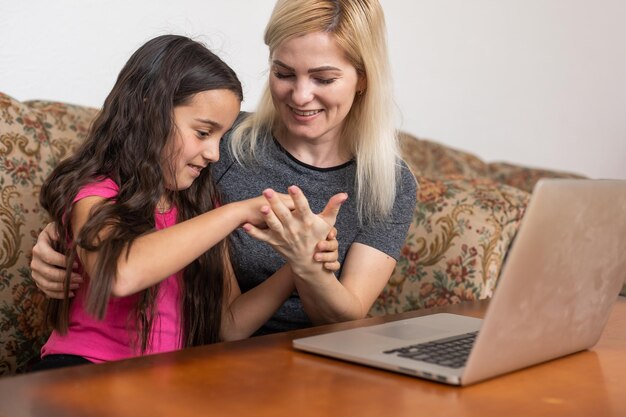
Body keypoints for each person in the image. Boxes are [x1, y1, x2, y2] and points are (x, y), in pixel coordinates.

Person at [31, 0, 418, 335]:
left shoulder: (390, 182)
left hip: (313, 354)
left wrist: (307, 264)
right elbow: (134, 188)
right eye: (283, 73)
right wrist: (62, 237)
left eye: (324, 78)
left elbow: (345, 319)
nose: (300, 96)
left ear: (363, 78)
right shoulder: (220, 138)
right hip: (208, 351)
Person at [31, 34, 343, 371]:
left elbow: (230, 325)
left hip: (160, 384)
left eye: (221, 137)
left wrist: (300, 260)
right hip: (81, 369)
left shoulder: (199, 205)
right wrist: (237, 212)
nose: (214, 154)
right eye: (203, 132)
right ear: (150, 110)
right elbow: (119, 273)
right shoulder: (97, 189)